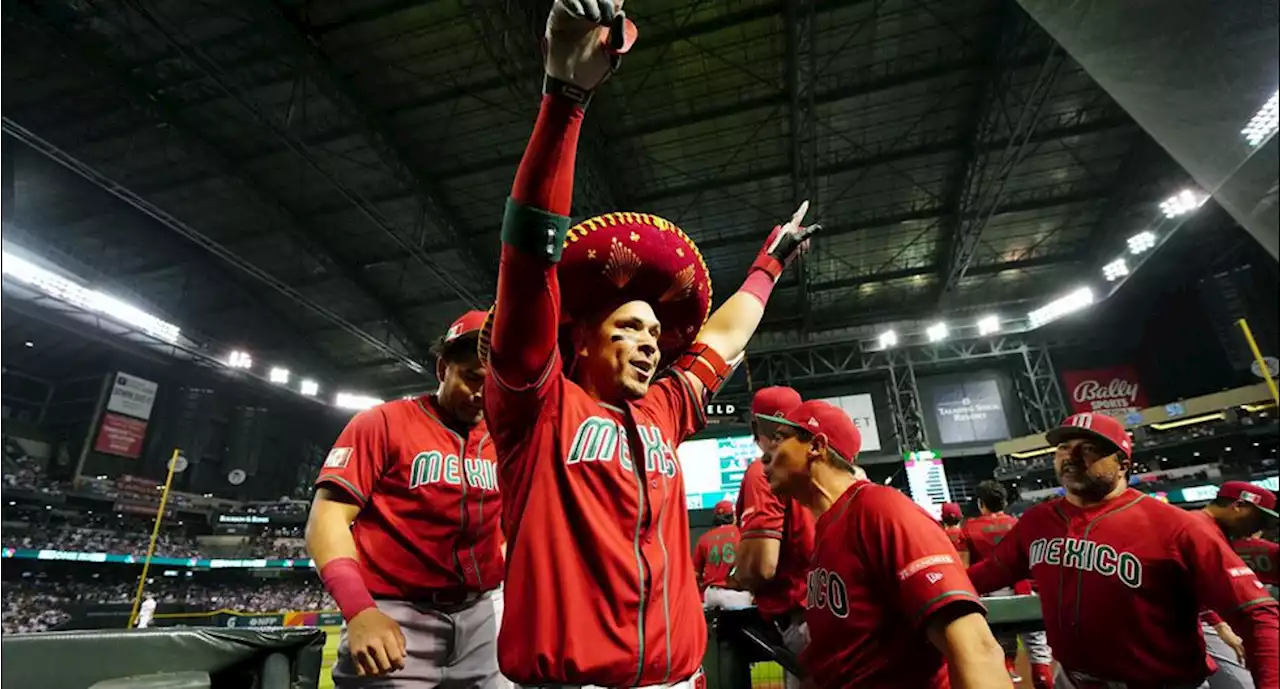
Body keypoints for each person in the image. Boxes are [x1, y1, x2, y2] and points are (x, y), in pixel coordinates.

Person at [479, 0, 818, 684]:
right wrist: (566, 100)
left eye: (656, 333)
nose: (649, 344)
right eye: (628, 327)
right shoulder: (534, 404)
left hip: (674, 678)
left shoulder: (665, 409)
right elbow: (527, 263)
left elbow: (722, 334)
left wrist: (768, 265)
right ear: (579, 336)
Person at [967, 412, 1279, 689]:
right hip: (1073, 679)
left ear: (1123, 465)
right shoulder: (1038, 520)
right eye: (1063, 447)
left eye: (1088, 449)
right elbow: (988, 573)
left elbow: (1258, 614)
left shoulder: (1177, 526)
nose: (1071, 456)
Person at [307, 311, 507, 687]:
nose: (483, 393)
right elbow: (327, 520)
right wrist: (359, 610)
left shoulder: (505, 441)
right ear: (443, 368)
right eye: (471, 377)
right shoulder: (382, 423)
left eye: (495, 382)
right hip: (395, 613)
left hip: (482, 613)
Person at [762, 399, 1010, 688]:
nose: (767, 455)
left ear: (816, 446)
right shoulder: (829, 528)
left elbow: (976, 648)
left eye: (779, 439)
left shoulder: (880, 509)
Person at [732, 385, 815, 689]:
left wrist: (738, 573)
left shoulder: (765, 468)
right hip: (838, 608)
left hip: (804, 621)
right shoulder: (822, 463)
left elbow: (761, 567)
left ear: (755, 426)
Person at [962, 481, 1054, 689]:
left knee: (999, 652)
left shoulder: (969, 528)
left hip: (989, 595)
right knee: (1038, 650)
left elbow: (966, 567)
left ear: (981, 503)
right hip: (1024, 589)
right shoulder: (1020, 522)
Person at [1196, 482, 1279, 689]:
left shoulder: (1211, 530)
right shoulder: (1198, 528)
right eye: (1258, 519)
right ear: (1238, 505)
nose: (1259, 528)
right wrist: (1217, 623)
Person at [694, 501, 751, 610]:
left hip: (712, 595)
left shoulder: (704, 538)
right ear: (734, 516)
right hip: (738, 596)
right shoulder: (742, 534)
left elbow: (695, 574)